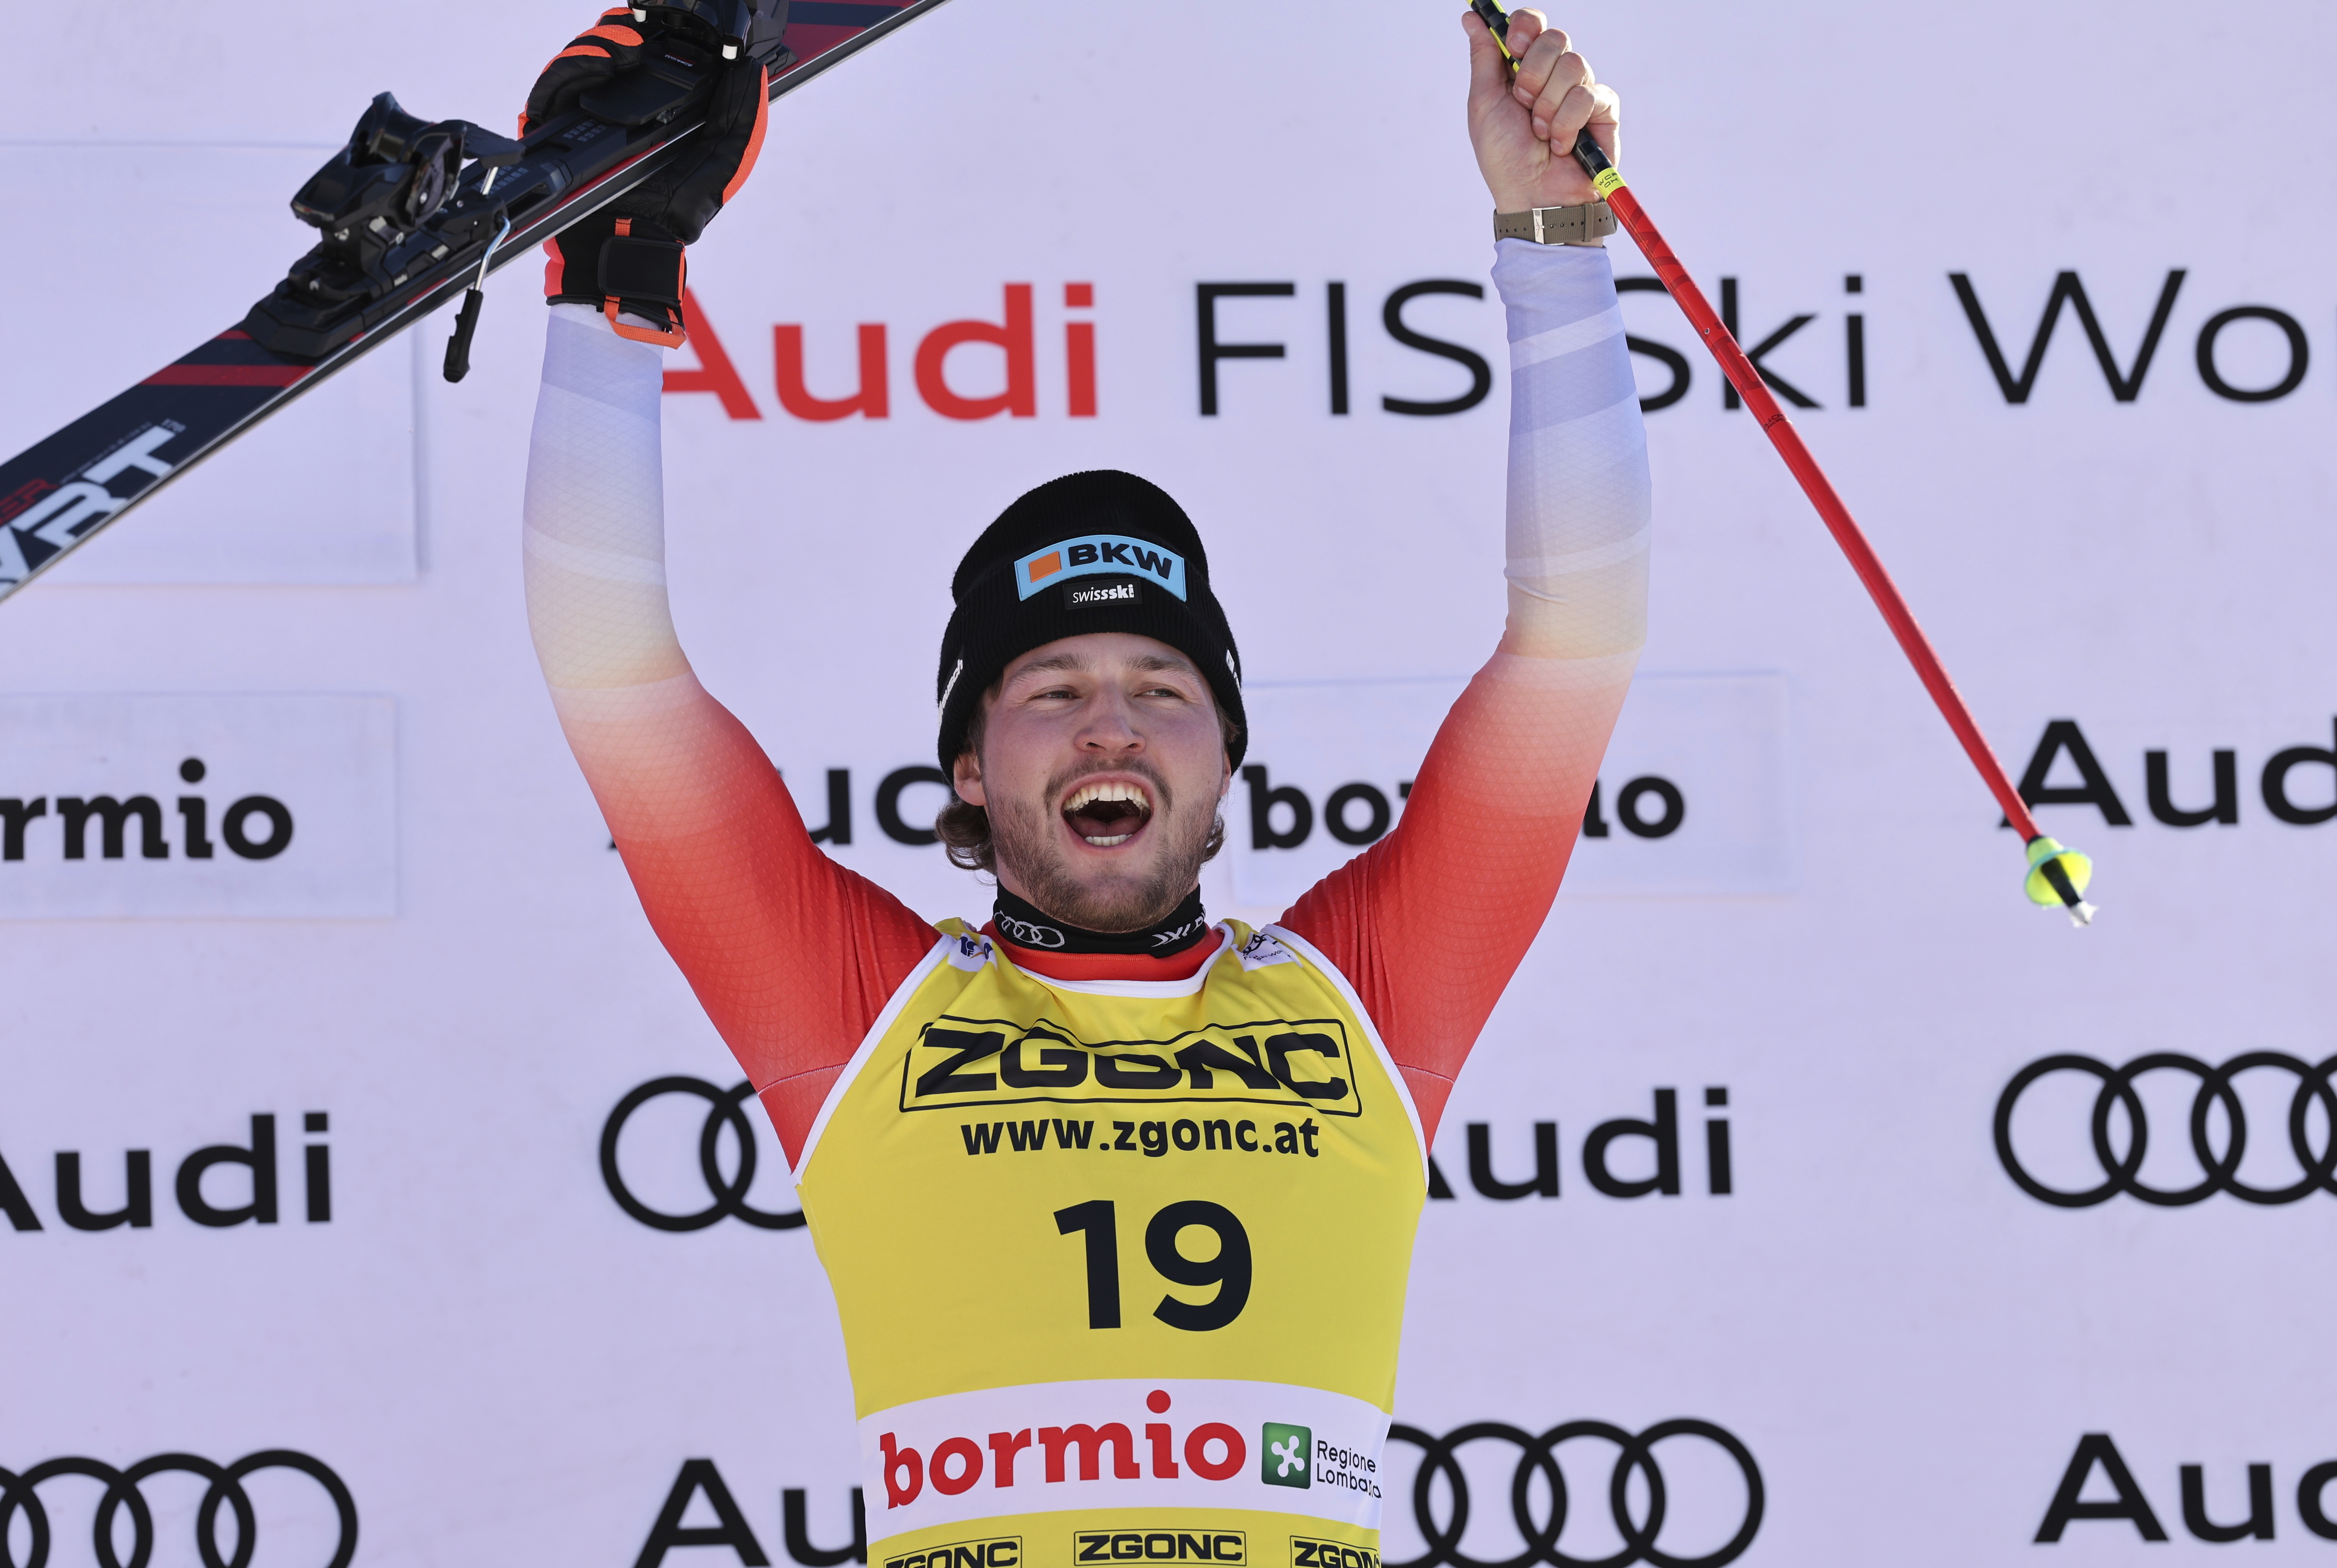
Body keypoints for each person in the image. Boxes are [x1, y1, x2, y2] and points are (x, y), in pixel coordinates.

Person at [521, 7, 1647, 1563]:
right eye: (1051, 690)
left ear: (1230, 757)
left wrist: (1556, 233)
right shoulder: (862, 1015)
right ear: (971, 769)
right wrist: (613, 279)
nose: (1110, 726)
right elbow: (612, 672)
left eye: (1162, 689)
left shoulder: (1364, 1005)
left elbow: (1577, 641)